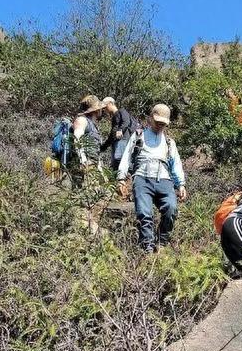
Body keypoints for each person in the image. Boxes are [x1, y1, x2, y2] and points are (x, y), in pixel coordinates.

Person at [117, 103, 187, 253]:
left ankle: (162, 243)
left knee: (171, 208)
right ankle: (147, 249)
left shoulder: (169, 142)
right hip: (142, 178)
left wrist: (180, 184)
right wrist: (121, 178)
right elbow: (126, 157)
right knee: (144, 213)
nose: (160, 125)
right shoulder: (138, 136)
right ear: (150, 119)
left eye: (163, 123)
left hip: (165, 180)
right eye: (157, 122)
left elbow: (176, 164)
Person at [100, 97, 141, 171]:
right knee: (115, 163)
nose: (104, 109)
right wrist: (104, 147)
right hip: (116, 142)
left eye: (105, 107)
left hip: (123, 140)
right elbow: (112, 134)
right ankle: (117, 179)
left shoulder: (121, 111)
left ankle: (126, 177)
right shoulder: (114, 117)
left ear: (111, 103)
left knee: (119, 159)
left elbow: (126, 121)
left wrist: (120, 130)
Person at [73, 95, 105, 168]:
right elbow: (77, 139)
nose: (101, 110)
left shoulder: (93, 125)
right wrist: (83, 160)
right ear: (96, 110)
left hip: (94, 164)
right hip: (86, 164)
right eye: (100, 108)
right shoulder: (82, 120)